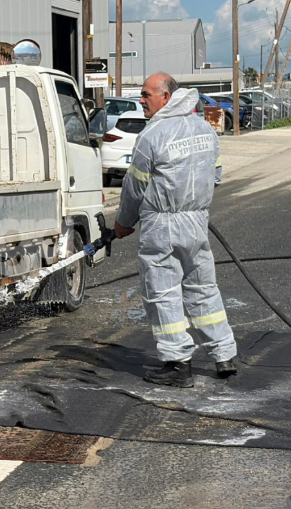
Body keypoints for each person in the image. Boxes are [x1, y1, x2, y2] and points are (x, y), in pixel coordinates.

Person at [115, 73, 238, 388]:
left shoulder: (152, 135)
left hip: (163, 225)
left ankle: (177, 364)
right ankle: (224, 355)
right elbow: (218, 174)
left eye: (146, 95)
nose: (142, 100)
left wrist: (124, 222)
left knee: (162, 293)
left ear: (166, 97)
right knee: (203, 289)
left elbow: (134, 187)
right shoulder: (204, 129)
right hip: (196, 222)